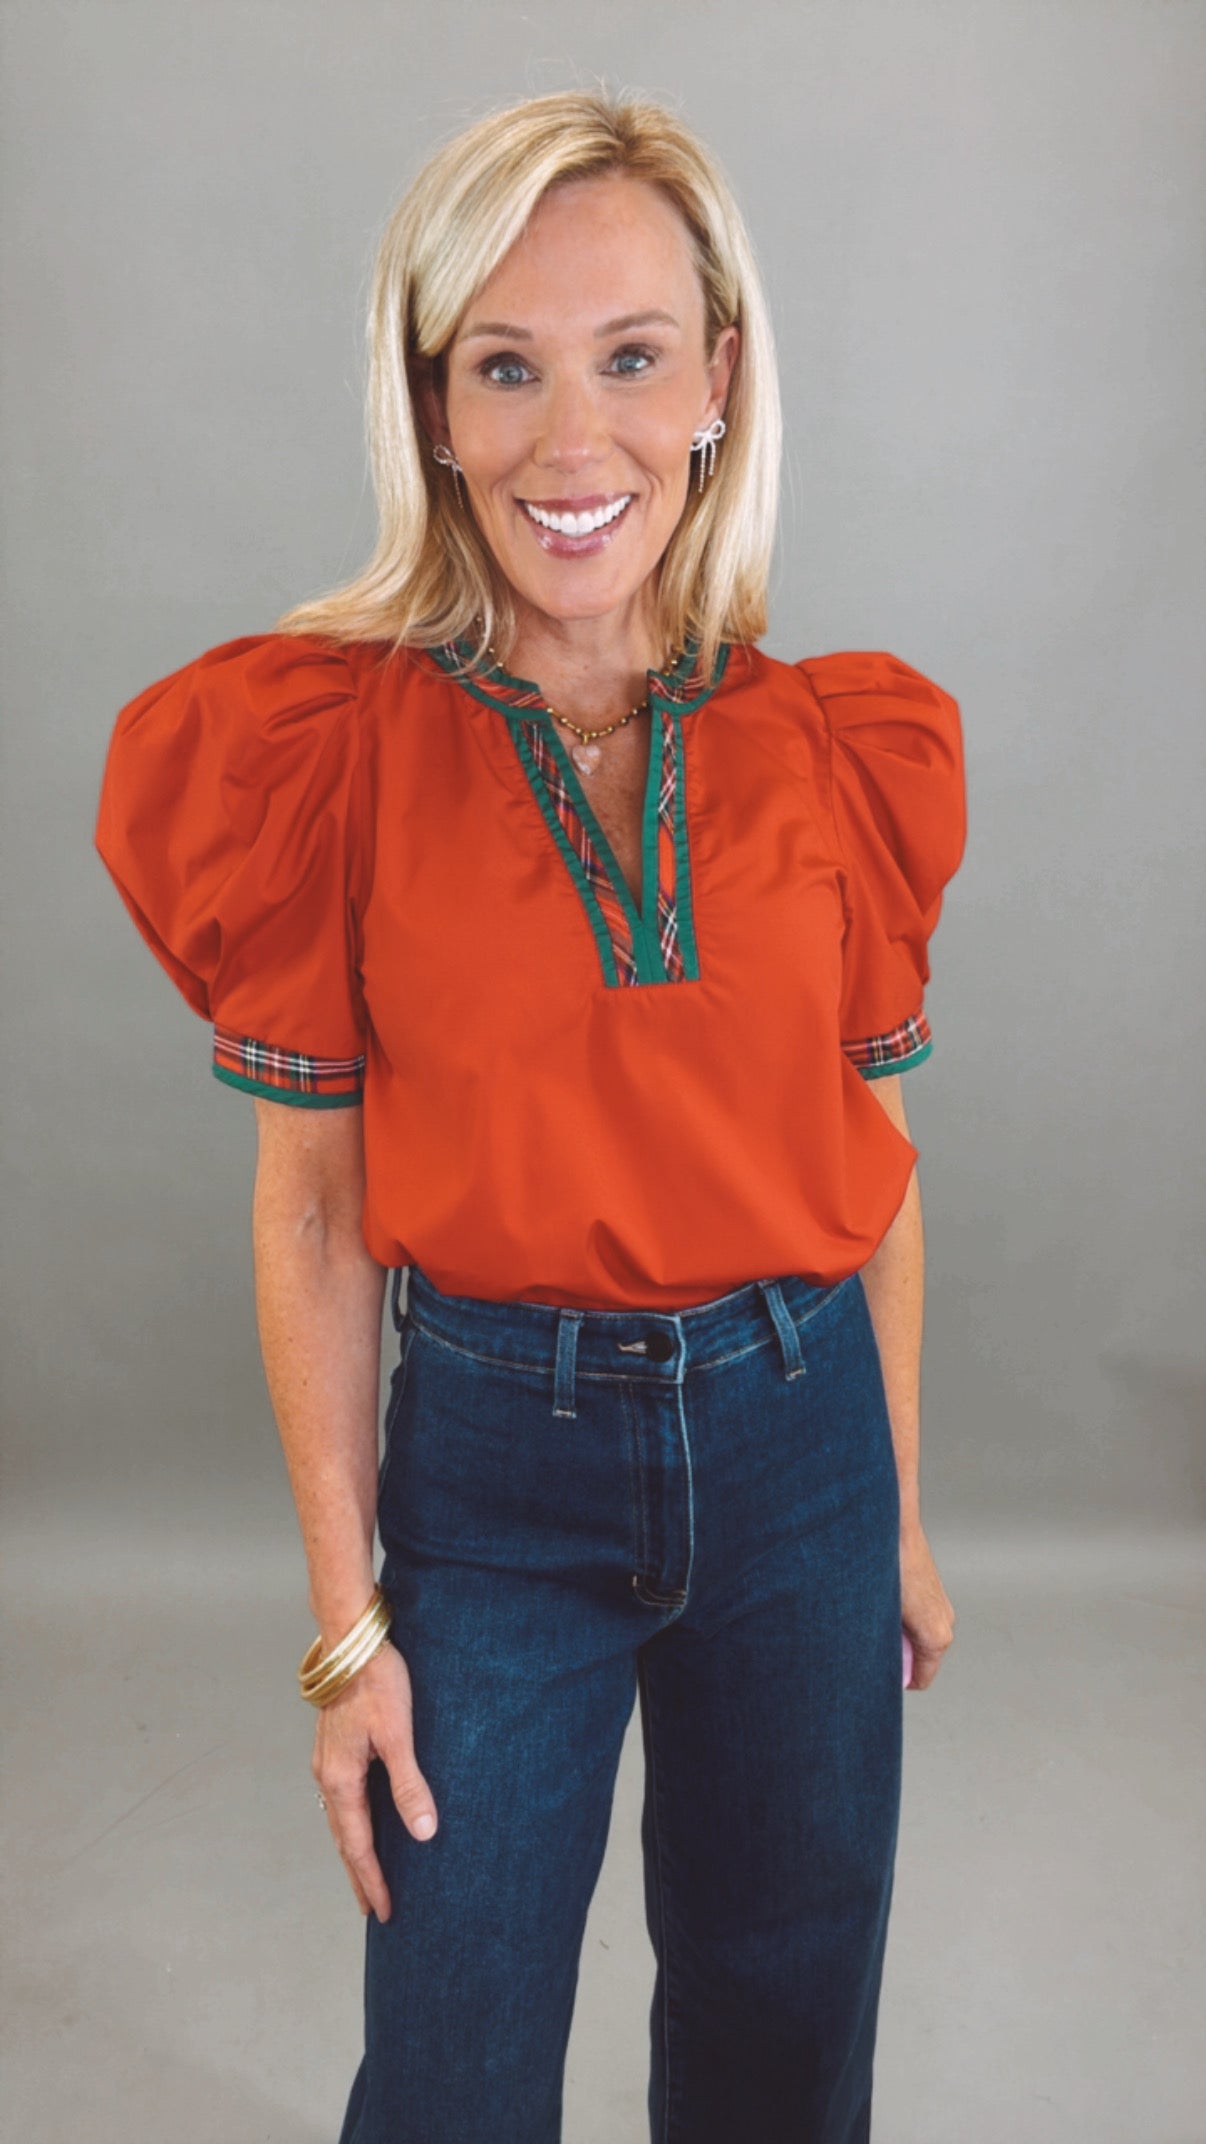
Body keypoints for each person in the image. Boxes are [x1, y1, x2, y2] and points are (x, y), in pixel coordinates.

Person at [93, 85, 966, 2144]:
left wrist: (901, 1512)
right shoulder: (322, 759)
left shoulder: (837, 753)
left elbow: (876, 1177)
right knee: (455, 2062)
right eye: (506, 366)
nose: (574, 440)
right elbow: (317, 1217)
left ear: (718, 382)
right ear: (434, 406)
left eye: (631, 357)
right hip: (495, 1466)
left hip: (804, 1443)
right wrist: (344, 1633)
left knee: (784, 2032)